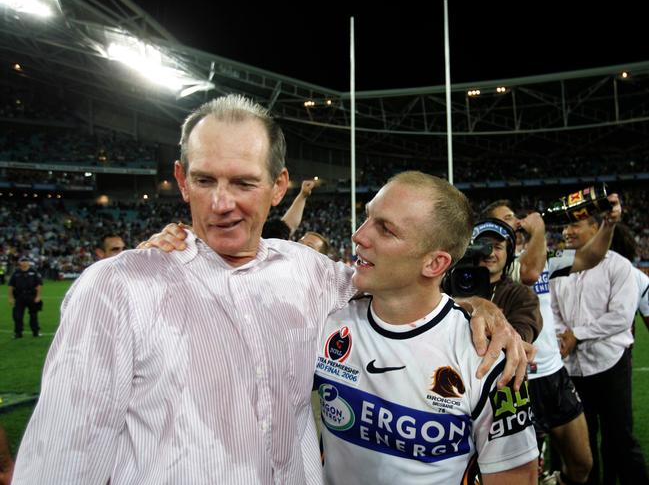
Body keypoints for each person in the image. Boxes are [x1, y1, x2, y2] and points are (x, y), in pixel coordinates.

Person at [13, 95, 525, 484]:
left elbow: (404, 290)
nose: (221, 205)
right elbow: (63, 457)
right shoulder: (117, 288)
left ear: (279, 186)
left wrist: (480, 307)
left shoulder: (309, 273)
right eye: (205, 180)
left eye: (243, 183)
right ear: (181, 180)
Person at [316, 173, 538, 484]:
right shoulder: (326, 317)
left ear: (434, 264)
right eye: (368, 218)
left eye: (386, 230)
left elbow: (515, 476)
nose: (358, 236)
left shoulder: (487, 358)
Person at [483, 197, 622, 485]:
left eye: (515, 216)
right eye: (507, 218)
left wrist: (608, 225)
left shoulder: (542, 257)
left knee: (582, 464)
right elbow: (530, 273)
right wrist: (541, 229)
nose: (517, 221)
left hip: (553, 374)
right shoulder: (494, 266)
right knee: (522, 474)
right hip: (515, 382)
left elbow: (589, 257)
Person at [551, 214, 649, 485]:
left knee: (620, 439)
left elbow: (621, 316)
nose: (567, 232)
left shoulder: (619, 266)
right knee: (580, 443)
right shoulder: (558, 264)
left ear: (596, 228)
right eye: (565, 226)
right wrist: (562, 336)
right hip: (570, 366)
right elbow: (553, 309)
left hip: (609, 364)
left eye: (575, 226)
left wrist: (577, 335)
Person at [8, 256, 42, 338]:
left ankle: (35, 332)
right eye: (22, 261)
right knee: (17, 316)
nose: (24, 262)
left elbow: (38, 285)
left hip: (31, 296)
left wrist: (38, 296)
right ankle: (18, 333)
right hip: (19, 297)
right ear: (20, 263)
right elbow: (11, 286)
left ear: (28, 263)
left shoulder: (33, 272)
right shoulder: (16, 273)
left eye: (26, 261)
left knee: (33, 315)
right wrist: (10, 297)